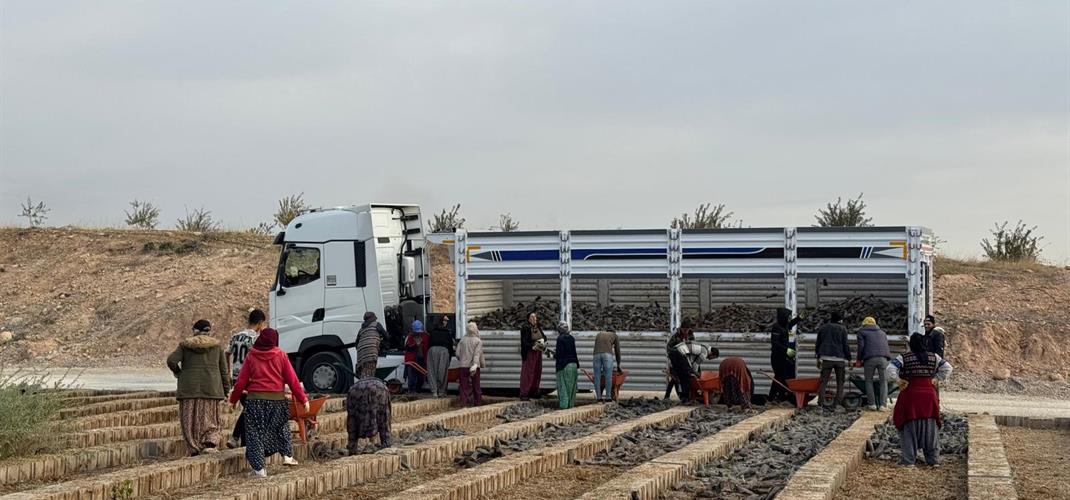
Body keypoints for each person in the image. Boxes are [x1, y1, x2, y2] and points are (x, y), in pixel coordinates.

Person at [228, 328, 308, 478]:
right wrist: (303, 399)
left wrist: (233, 400)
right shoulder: (281, 355)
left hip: (255, 402)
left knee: (255, 434)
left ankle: (259, 469)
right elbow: (292, 380)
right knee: (281, 427)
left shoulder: (251, 356)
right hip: (277, 401)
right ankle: (287, 455)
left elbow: (241, 382)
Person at [887, 333, 952, 467]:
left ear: (911, 345)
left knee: (909, 426)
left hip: (910, 395)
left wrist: (899, 380)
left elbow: (890, 369)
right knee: (930, 427)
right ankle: (933, 460)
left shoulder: (904, 357)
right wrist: (936, 379)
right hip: (929, 395)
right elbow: (947, 368)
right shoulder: (934, 357)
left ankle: (909, 460)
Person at [167, 319, 230, 456]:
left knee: (189, 420)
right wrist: (227, 390)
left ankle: (194, 448)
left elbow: (171, 360)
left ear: (194, 331)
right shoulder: (217, 346)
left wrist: (179, 373)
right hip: (212, 388)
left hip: (188, 388)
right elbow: (224, 371)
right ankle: (210, 443)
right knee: (211, 418)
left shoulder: (185, 345)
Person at [225, 309, 267, 448]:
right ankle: (236, 436)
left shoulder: (236, 336)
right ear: (260, 323)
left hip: (235, 377)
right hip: (249, 379)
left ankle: (243, 442)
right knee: (250, 408)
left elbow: (227, 353)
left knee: (248, 408)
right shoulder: (255, 338)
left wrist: (229, 371)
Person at [346, 371, 392, 454]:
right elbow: (386, 419)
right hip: (379, 389)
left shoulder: (352, 389)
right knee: (384, 418)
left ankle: (352, 448)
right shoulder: (383, 388)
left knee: (352, 419)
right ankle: (386, 444)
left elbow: (351, 419)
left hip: (356, 390)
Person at [815, 311, 851, 409]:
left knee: (823, 381)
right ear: (840, 320)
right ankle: (837, 404)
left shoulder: (823, 328)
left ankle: (820, 404)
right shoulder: (843, 329)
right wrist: (849, 359)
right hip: (839, 359)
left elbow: (818, 343)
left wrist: (818, 357)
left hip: (826, 358)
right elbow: (845, 345)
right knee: (840, 382)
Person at [856, 316, 892, 411]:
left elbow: (861, 347)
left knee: (869, 381)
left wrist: (859, 360)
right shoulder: (882, 332)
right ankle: (883, 405)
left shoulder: (861, 332)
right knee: (883, 381)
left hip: (870, 358)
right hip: (883, 358)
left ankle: (872, 404)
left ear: (864, 324)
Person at [768, 308, 802, 403]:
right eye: (787, 317)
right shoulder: (777, 328)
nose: (788, 319)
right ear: (783, 317)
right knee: (779, 376)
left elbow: (792, 323)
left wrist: (799, 317)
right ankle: (772, 397)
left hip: (785, 356)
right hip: (777, 357)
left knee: (785, 376)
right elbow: (775, 343)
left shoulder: (785, 325)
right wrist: (787, 350)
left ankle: (782, 397)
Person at [665, 320, 696, 403]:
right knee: (675, 378)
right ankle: (667, 396)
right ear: (681, 328)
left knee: (686, 378)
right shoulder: (675, 336)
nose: (686, 331)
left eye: (687, 329)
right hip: (676, 360)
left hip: (687, 360)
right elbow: (669, 348)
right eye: (684, 329)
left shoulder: (691, 335)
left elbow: (693, 346)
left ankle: (685, 397)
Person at [457, 322, 486, 407]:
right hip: (474, 367)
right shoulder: (478, 341)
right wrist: (476, 364)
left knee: (463, 386)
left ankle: (463, 404)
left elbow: (457, 353)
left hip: (463, 366)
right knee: (476, 386)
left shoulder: (462, 340)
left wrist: (462, 360)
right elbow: (477, 354)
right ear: (476, 330)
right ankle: (477, 403)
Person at [519, 312, 546, 400]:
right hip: (529, 352)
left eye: (535, 317)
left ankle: (534, 391)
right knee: (528, 373)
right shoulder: (525, 328)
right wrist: (532, 346)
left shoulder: (537, 326)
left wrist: (542, 341)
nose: (534, 319)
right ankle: (524, 393)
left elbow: (544, 337)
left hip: (538, 352)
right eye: (532, 317)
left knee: (537, 371)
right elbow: (524, 342)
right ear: (528, 319)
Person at [427, 315, 455, 397]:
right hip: (444, 351)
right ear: (443, 322)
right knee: (443, 372)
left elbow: (429, 343)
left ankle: (434, 392)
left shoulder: (433, 331)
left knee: (432, 371)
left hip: (432, 350)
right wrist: (449, 358)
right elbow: (450, 346)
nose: (446, 322)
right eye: (445, 321)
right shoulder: (447, 332)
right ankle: (441, 391)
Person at [553, 322, 579, 409]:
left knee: (563, 387)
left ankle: (564, 407)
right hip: (574, 365)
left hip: (564, 366)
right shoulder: (572, 338)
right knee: (571, 389)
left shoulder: (560, 339)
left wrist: (553, 354)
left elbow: (559, 354)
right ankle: (570, 407)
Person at [592, 330, 622, 402]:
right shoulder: (615, 335)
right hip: (607, 355)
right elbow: (617, 351)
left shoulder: (599, 334)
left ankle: (599, 398)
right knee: (608, 376)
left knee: (597, 376)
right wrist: (618, 364)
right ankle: (608, 397)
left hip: (596, 355)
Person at [356, 312, 388, 378]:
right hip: (371, 352)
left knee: (364, 372)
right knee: (370, 372)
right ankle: (368, 383)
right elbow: (386, 336)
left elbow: (356, 343)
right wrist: (383, 345)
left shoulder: (361, 329)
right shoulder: (376, 324)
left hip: (360, 354)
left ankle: (363, 381)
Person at [403, 320, 430, 393]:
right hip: (412, 361)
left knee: (421, 377)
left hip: (422, 359)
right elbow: (407, 348)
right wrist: (415, 344)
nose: (418, 333)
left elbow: (428, 346)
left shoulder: (426, 336)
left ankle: (418, 389)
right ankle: (411, 390)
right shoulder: (409, 337)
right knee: (411, 377)